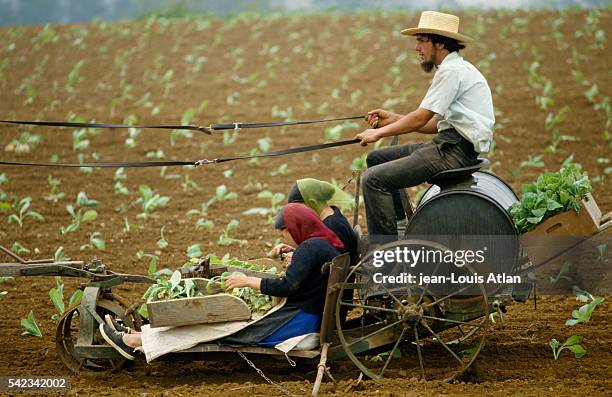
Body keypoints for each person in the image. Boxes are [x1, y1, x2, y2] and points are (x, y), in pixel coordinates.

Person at [99, 203, 344, 359]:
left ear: (296, 227)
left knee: (217, 329)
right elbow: (306, 277)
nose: (285, 238)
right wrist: (295, 256)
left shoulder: (309, 249)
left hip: (295, 324)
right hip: (306, 317)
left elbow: (288, 286)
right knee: (222, 324)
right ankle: (143, 334)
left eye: (284, 232)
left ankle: (134, 341)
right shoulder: (324, 244)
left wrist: (247, 281)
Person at [354, 11, 495, 245]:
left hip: (453, 153)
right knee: (377, 159)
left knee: (372, 180)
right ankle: (398, 228)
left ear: (439, 42)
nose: (416, 48)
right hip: (448, 145)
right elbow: (433, 124)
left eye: (421, 40)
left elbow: (420, 118)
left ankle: (384, 254)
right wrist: (392, 119)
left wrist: (378, 132)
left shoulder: (452, 72)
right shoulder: (452, 69)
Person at [273, 178, 358, 266]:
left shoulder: (333, 226)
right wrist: (295, 250)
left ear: (312, 202)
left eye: (298, 207)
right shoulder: (332, 216)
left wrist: (297, 258)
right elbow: (325, 253)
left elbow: (334, 264)